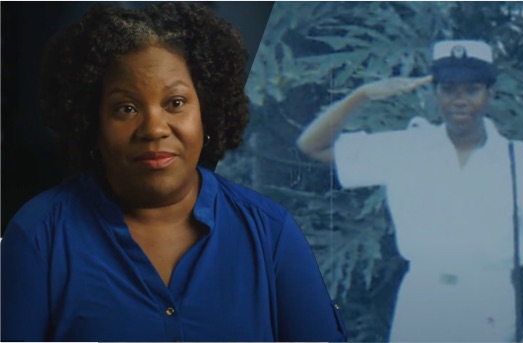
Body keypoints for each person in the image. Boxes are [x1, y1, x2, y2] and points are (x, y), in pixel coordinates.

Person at [1, 3, 346, 342]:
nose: (154, 128)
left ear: (206, 112)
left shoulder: (270, 233)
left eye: (175, 103)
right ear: (93, 124)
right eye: (126, 108)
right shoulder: (38, 237)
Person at [297, 40, 523, 342]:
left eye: (472, 90)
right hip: (421, 304)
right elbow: (312, 146)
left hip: (490, 307)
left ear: (490, 94)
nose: (460, 100)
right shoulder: (407, 147)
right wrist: (362, 95)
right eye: (449, 89)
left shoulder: (518, 159)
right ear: (435, 94)